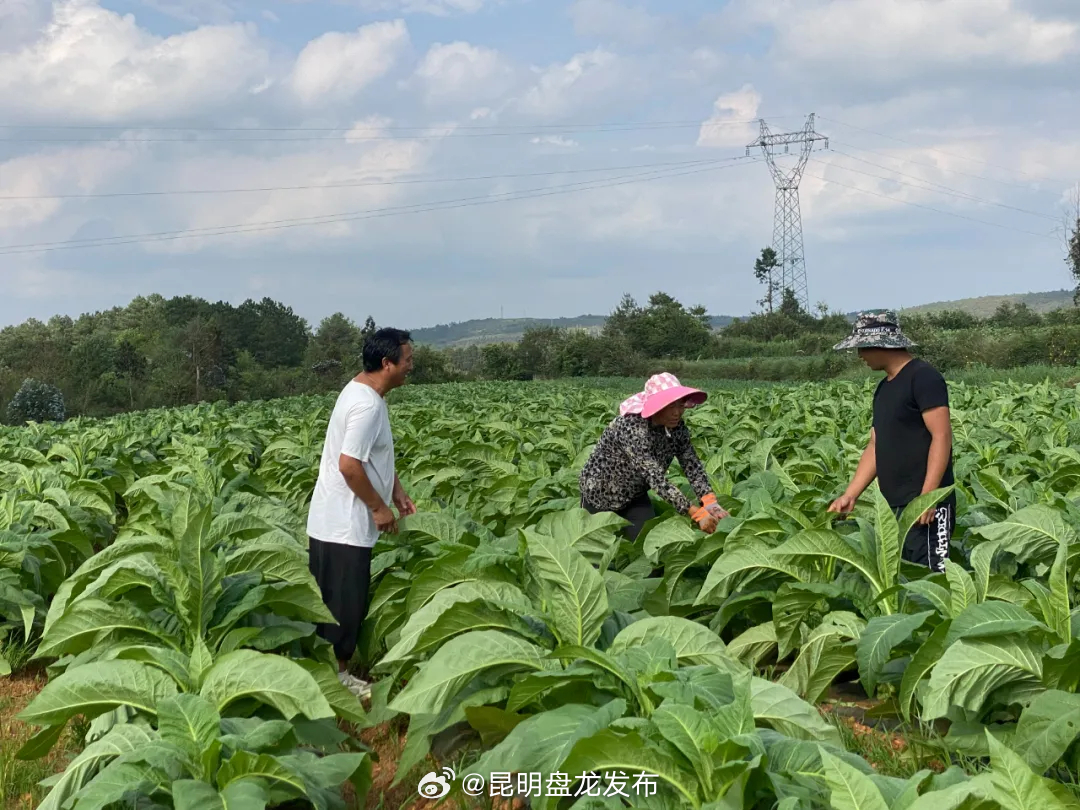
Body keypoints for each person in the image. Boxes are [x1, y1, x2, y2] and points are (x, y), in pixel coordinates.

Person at [306, 327, 417, 698]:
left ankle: (327, 673)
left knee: (332, 599)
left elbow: (373, 457)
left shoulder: (359, 390)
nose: (410, 367)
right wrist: (378, 507)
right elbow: (350, 464)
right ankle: (338, 681)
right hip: (345, 523)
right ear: (387, 364)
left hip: (330, 519)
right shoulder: (368, 405)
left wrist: (396, 491)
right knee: (343, 603)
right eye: (407, 361)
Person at [827, 310, 955, 573]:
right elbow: (876, 445)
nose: (860, 355)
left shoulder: (923, 377)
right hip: (894, 503)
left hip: (926, 505)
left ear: (881, 344)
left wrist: (928, 497)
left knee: (932, 579)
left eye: (862, 347)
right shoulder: (885, 387)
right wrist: (851, 495)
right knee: (905, 580)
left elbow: (941, 436)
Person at [579, 372, 728, 540]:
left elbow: (691, 463)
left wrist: (709, 501)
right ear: (657, 406)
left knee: (648, 547)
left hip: (635, 495)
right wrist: (695, 513)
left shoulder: (676, 427)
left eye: (680, 405)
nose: (677, 412)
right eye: (671, 406)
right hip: (600, 493)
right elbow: (654, 477)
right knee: (594, 551)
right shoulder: (631, 427)